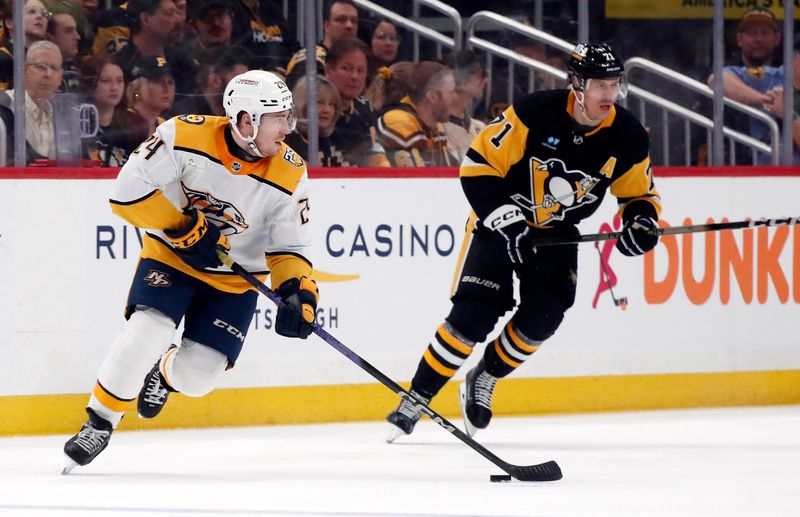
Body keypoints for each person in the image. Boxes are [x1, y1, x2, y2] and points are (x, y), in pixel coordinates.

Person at [385, 43, 662, 441]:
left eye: (614, 84)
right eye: (600, 84)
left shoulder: (628, 136)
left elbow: (639, 196)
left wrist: (640, 224)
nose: (609, 94)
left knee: (543, 318)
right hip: (500, 221)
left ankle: (486, 375)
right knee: (475, 314)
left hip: (557, 235)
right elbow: (478, 165)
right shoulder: (535, 112)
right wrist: (507, 220)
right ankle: (417, 396)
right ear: (576, 85)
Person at [62, 70, 318, 473]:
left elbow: (288, 246)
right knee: (147, 330)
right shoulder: (183, 135)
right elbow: (125, 193)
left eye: (288, 117)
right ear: (246, 120)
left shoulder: (290, 171)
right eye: (278, 118)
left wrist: (299, 291)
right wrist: (183, 227)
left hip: (234, 282)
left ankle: (163, 373)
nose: (287, 128)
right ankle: (99, 423)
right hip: (171, 258)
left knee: (199, 378)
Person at [706, 7, 783, 162]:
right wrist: (766, 100)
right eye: (752, 33)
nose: (758, 39)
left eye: (765, 33)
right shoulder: (723, 69)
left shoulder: (788, 72)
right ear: (739, 39)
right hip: (733, 165)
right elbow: (717, 81)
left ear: (777, 39)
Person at [376, 61, 457, 167]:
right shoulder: (399, 123)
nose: (455, 97)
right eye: (451, 92)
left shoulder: (435, 128)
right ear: (432, 96)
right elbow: (416, 181)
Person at [324, 37, 388, 167]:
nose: (354, 76)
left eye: (360, 71)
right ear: (328, 71)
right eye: (346, 69)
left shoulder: (366, 110)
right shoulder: (312, 109)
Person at [4, 40, 62, 162]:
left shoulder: (60, 118)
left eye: (54, 68)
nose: (48, 74)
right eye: (41, 67)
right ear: (24, 71)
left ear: (60, 78)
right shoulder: (6, 107)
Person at [284, 0, 358, 87]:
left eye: (354, 21)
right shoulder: (309, 59)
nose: (349, 25)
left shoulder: (358, 59)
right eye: (341, 20)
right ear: (326, 25)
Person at [80, 54, 134, 166]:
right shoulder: (79, 126)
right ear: (90, 84)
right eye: (106, 81)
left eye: (119, 81)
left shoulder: (132, 127)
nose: (114, 87)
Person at [285, 75, 346, 166]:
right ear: (301, 103)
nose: (327, 110)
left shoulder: (329, 142)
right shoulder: (285, 139)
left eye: (332, 104)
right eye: (319, 102)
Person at [443, 50, 488, 162]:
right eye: (481, 76)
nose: (486, 80)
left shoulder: (480, 127)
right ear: (461, 82)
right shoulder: (438, 130)